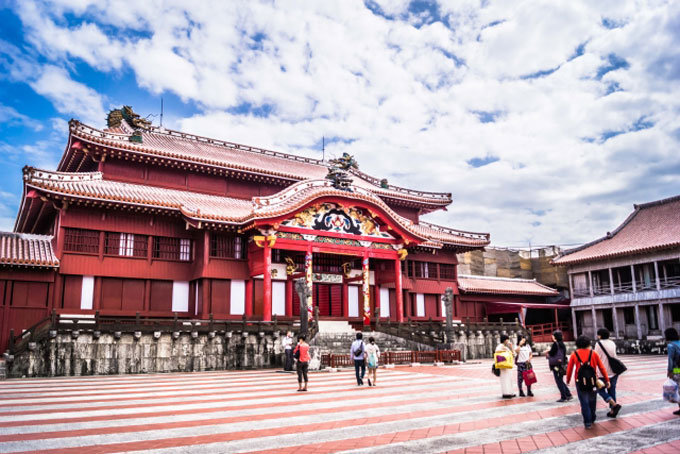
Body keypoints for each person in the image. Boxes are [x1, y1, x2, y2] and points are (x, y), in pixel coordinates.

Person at [566, 335, 610, 429]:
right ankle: (592, 416)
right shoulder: (594, 353)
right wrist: (607, 379)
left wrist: (568, 380)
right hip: (593, 381)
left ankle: (587, 422)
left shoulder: (574, 354)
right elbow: (601, 367)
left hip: (580, 381)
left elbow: (569, 369)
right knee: (592, 399)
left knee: (584, 401)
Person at [593, 328, 622, 417]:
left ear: (600, 336)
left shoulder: (598, 344)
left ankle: (614, 404)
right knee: (612, 390)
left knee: (600, 390)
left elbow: (596, 357)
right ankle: (613, 411)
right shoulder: (612, 343)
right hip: (614, 371)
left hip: (603, 372)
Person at [544, 330, 573, 402]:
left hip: (556, 365)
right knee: (560, 380)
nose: (552, 337)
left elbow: (552, 353)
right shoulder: (562, 344)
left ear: (555, 337)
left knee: (559, 381)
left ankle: (564, 397)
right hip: (561, 365)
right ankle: (568, 394)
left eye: (553, 335)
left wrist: (548, 351)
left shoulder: (555, 344)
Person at [664, 327, 680, 415]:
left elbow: (670, 359)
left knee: (678, 389)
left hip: (677, 369)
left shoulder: (671, 345)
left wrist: (669, 371)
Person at [496, 334, 516, 398]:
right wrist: (504, 350)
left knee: (509, 379)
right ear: (504, 340)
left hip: (508, 365)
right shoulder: (500, 346)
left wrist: (511, 347)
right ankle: (506, 393)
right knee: (505, 379)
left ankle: (510, 392)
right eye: (507, 339)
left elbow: (514, 355)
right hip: (503, 366)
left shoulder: (506, 347)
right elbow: (497, 353)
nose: (508, 341)